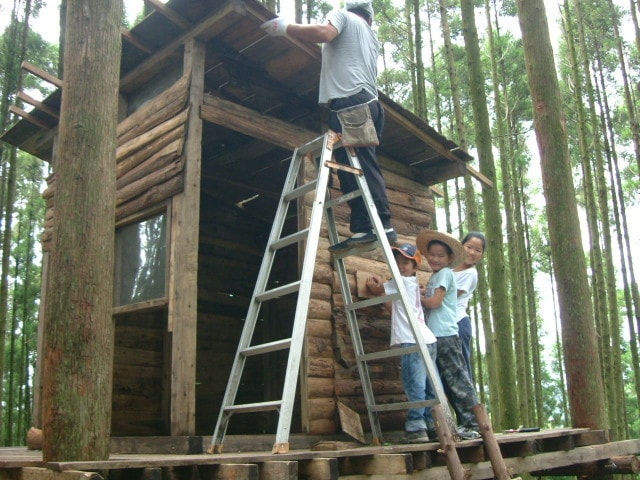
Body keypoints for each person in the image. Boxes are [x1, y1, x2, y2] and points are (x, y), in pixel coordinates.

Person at [260, 1, 397, 252]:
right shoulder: (370, 36)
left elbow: (324, 34)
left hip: (350, 101)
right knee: (355, 164)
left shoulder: (343, 15)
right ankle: (367, 226)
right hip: (369, 104)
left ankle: (381, 226)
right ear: (370, 18)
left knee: (359, 165)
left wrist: (286, 27)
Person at [365, 243, 438, 443]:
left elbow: (380, 288)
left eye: (406, 262)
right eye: (397, 262)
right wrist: (382, 293)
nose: (400, 266)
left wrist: (375, 287)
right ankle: (433, 426)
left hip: (412, 341)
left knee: (414, 384)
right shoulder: (412, 285)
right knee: (429, 386)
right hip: (428, 340)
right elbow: (395, 308)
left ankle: (416, 428)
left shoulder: (402, 283)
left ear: (415, 267)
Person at [416, 229, 480, 440]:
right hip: (436, 334)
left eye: (440, 256)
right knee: (444, 379)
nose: (435, 259)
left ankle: (473, 423)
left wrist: (416, 300)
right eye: (432, 255)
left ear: (450, 258)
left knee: (457, 378)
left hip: (446, 333)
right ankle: (454, 423)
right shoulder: (437, 275)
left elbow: (435, 302)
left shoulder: (445, 274)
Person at [453, 232, 486, 381]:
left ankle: (470, 404)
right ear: (461, 246)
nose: (472, 252)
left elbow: (448, 296)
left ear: (482, 255)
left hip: (458, 323)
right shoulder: (448, 268)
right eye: (469, 247)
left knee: (461, 370)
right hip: (445, 324)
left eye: (478, 250)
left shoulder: (470, 273)